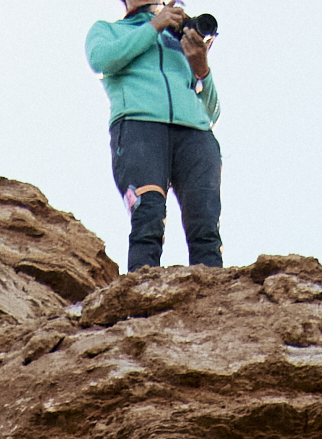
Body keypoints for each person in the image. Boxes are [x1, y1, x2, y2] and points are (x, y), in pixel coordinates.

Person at [86, 0, 222, 272]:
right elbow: (101, 60)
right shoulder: (108, 30)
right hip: (139, 127)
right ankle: (142, 290)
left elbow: (211, 112)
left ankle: (213, 292)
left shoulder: (180, 41)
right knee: (148, 215)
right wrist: (154, 27)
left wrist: (202, 69)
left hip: (195, 135)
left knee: (205, 224)